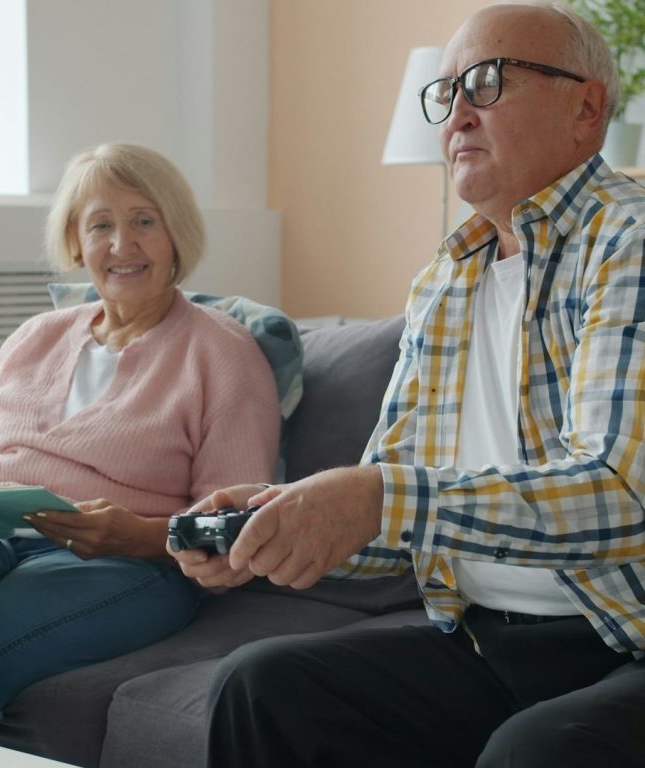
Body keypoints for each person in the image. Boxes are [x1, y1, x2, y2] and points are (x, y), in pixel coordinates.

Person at [171, 2, 645, 765]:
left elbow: (621, 496)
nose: (457, 114)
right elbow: (390, 517)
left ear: (585, 107)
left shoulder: (629, 242)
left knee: (536, 751)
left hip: (629, 641)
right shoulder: (444, 282)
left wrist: (378, 497)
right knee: (261, 686)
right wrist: (278, 524)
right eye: (447, 91)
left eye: (487, 82)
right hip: (489, 642)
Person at [0, 142, 281, 739]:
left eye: (144, 221)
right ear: (75, 240)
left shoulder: (222, 353)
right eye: (101, 226)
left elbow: (235, 523)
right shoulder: (35, 336)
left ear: (177, 233)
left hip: (122, 563)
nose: (122, 245)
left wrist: (137, 534)